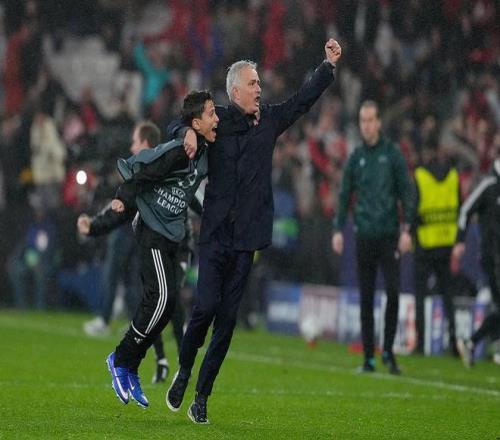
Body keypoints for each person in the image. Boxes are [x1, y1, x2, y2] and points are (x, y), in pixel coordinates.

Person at [166, 38, 342, 425]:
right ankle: (183, 370)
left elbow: (302, 100)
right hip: (215, 234)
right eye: (252, 83)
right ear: (235, 92)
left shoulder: (271, 120)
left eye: (259, 82)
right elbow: (177, 122)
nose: (259, 88)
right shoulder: (216, 121)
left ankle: (202, 396)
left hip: (247, 239)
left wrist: (327, 67)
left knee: (227, 321)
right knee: (204, 310)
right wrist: (186, 134)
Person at [105, 90, 218, 408]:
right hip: (151, 229)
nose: (217, 119)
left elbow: (193, 193)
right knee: (163, 297)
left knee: (165, 308)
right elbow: (146, 171)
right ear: (196, 123)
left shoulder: (205, 151)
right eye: (211, 114)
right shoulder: (180, 152)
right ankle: (120, 359)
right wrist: (122, 197)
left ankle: (130, 365)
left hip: (171, 235)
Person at [78, 121, 188, 384]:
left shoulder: (164, 170)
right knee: (156, 301)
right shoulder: (142, 175)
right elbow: (121, 209)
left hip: (173, 248)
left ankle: (175, 362)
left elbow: (190, 202)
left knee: (165, 303)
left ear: (146, 144)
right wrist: (94, 226)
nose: (132, 147)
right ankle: (160, 361)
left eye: (135, 142)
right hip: (154, 247)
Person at [332, 100, 413, 375]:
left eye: (370, 120)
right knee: (365, 297)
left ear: (378, 122)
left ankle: (388, 350)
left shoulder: (392, 154)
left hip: (389, 235)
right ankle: (368, 357)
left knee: (393, 293)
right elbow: (344, 195)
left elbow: (406, 192)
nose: (366, 126)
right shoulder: (356, 157)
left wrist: (407, 229)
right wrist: (337, 229)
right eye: (362, 121)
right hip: (364, 235)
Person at [412, 145, 461, 356]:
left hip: (425, 244)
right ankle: (454, 342)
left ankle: (421, 343)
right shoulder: (453, 177)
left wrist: (411, 234)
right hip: (447, 244)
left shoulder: (420, 176)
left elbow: (413, 209)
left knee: (421, 296)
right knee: (448, 295)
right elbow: (459, 209)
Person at [454, 154, 500, 368]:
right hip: (493, 257)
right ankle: (483, 343)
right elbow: (465, 210)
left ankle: (473, 343)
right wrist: (460, 240)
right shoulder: (489, 185)